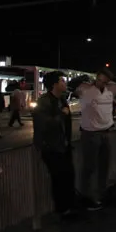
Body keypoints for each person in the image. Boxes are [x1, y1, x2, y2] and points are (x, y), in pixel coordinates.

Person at [33, 71, 77, 219]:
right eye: (62, 81)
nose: (65, 83)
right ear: (54, 84)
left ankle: (69, 207)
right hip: (51, 148)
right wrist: (61, 115)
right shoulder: (44, 101)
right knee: (59, 178)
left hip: (63, 146)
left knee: (68, 176)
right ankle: (62, 210)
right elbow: (43, 125)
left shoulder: (62, 100)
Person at [76, 68, 116, 211]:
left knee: (104, 166)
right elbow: (75, 86)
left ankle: (101, 195)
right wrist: (87, 82)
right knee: (89, 167)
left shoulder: (109, 91)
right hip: (91, 133)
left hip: (105, 132)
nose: (102, 83)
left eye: (106, 81)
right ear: (96, 79)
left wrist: (112, 82)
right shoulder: (87, 91)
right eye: (101, 80)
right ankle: (86, 198)